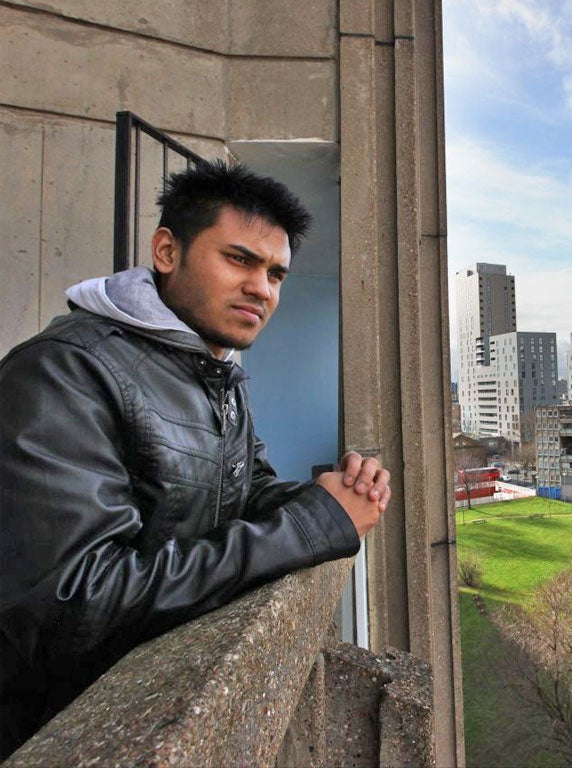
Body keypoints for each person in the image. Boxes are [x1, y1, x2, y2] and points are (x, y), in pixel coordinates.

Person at [0, 161, 391, 758]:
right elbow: (74, 603)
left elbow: (244, 489)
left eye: (276, 273)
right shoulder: (63, 372)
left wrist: (333, 496)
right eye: (240, 259)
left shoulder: (215, 374)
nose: (263, 288)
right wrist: (315, 526)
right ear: (166, 251)